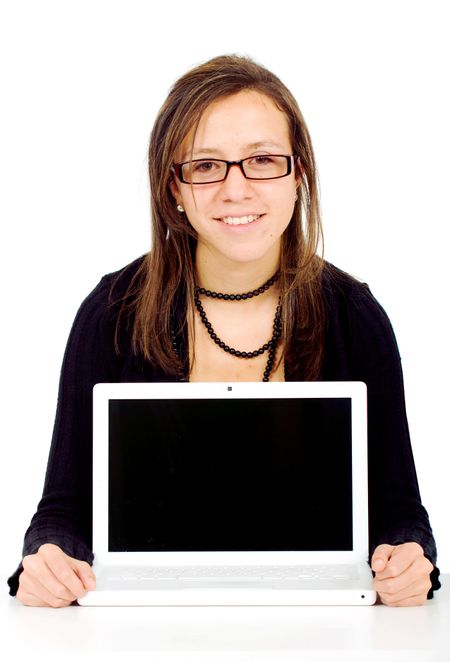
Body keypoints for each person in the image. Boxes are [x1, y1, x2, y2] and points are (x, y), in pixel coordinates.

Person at [8, 54, 440, 608]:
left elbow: (403, 513)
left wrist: (409, 559)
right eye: (206, 165)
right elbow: (61, 512)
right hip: (142, 626)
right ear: (173, 188)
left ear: (299, 173)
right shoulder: (113, 311)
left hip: (322, 623)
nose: (235, 190)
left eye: (262, 160)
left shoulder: (354, 314)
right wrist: (47, 559)